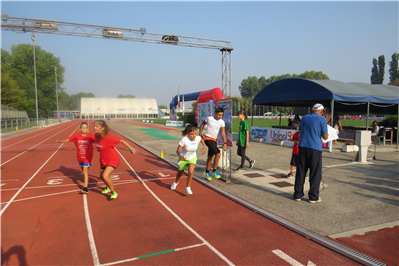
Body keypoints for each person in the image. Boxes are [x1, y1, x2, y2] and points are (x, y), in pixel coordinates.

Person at [293, 103, 328, 204]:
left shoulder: (304, 118)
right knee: (315, 173)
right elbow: (325, 136)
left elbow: (300, 130)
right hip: (315, 148)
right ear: (321, 111)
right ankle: (313, 197)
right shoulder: (322, 119)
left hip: (302, 146)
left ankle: (297, 194)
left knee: (301, 171)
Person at [94, 120, 137, 200]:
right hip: (103, 160)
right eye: (94, 126)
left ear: (103, 128)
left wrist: (131, 148)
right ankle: (108, 187)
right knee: (101, 176)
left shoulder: (109, 138)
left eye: (97, 126)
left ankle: (113, 192)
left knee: (105, 176)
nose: (94, 128)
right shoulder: (96, 136)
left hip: (113, 159)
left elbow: (122, 141)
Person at [56, 122, 95, 194]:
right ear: (80, 129)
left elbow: (99, 141)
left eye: (86, 127)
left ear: (87, 129)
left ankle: (85, 188)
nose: (84, 129)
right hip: (80, 157)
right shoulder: (76, 136)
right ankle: (88, 165)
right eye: (83, 127)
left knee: (85, 171)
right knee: (83, 171)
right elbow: (67, 140)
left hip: (87, 157)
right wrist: (59, 141)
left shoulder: (90, 136)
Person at [170, 125, 206, 194]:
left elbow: (201, 138)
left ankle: (188, 187)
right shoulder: (184, 140)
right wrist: (181, 155)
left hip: (192, 158)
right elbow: (178, 150)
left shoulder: (197, 138)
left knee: (191, 172)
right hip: (183, 159)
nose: (194, 136)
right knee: (180, 172)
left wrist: (204, 146)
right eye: (192, 134)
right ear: (188, 134)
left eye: (195, 134)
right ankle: (176, 182)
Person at [199, 107, 227, 181]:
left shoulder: (222, 122)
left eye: (221, 115)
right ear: (215, 113)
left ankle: (207, 171)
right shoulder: (209, 118)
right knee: (218, 154)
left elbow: (223, 133)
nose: (220, 116)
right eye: (218, 115)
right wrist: (200, 134)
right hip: (208, 139)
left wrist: (225, 143)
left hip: (214, 140)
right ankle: (214, 170)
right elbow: (202, 124)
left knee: (210, 156)